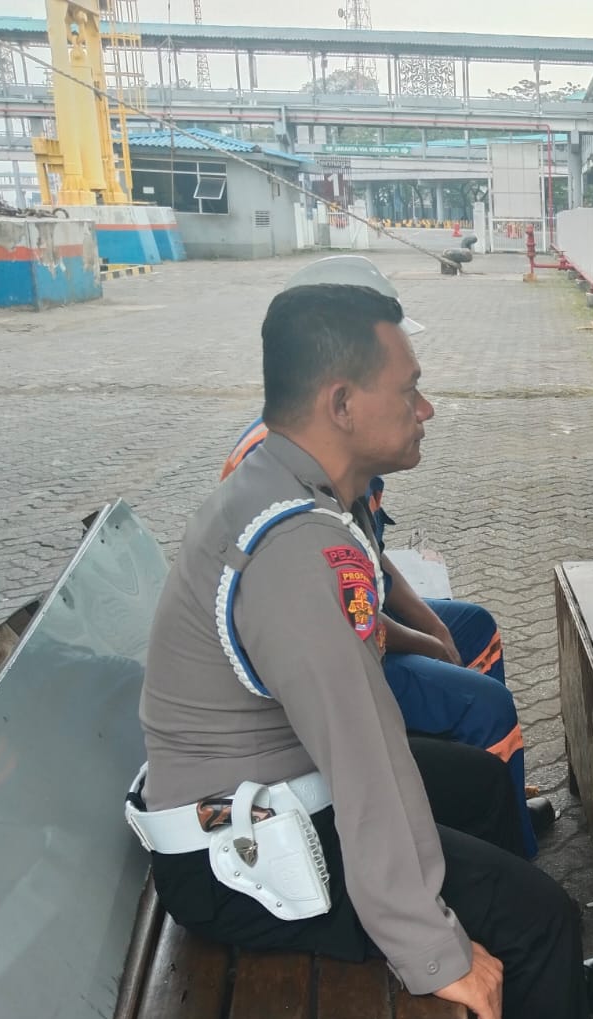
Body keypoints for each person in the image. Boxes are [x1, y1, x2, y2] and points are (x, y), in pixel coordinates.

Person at [136, 283, 593, 1019]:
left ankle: (536, 991)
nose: (426, 407)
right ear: (342, 404)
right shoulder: (293, 548)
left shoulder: (288, 488)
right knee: (540, 914)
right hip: (238, 858)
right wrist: (435, 950)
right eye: (409, 389)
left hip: (264, 798)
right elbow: (365, 762)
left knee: (475, 783)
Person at [223, 255, 549, 858]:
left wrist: (430, 624)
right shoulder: (283, 472)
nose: (421, 407)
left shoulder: (333, 448)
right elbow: (347, 622)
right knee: (484, 704)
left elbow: (370, 557)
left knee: (473, 626)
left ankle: (496, 792)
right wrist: (422, 640)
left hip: (358, 621)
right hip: (327, 669)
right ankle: (506, 851)